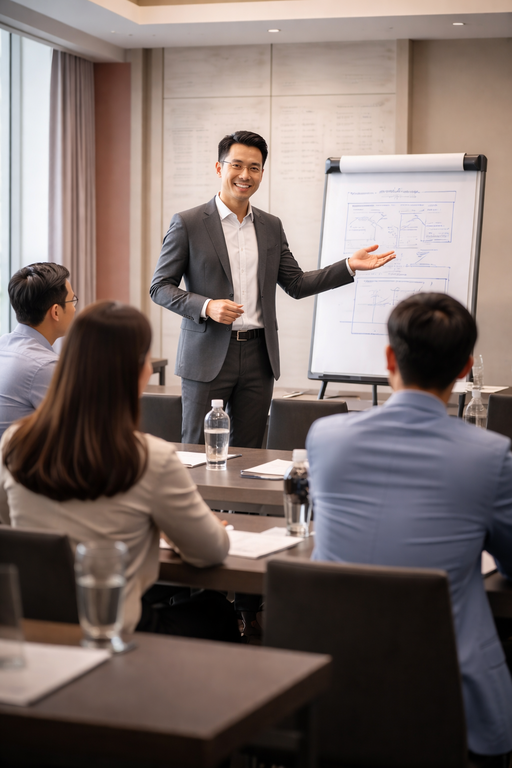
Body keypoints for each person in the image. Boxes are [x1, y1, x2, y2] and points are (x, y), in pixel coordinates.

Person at [306, 292, 512, 762]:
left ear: (389, 359)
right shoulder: (491, 456)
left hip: (332, 688)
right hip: (449, 698)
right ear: (465, 369)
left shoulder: (325, 437)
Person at [0, 301, 239, 642]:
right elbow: (210, 552)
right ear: (136, 372)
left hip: (37, 630)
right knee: (216, 610)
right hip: (110, 635)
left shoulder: (14, 442)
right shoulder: (149, 456)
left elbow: (9, 524)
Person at [150, 130, 396, 448]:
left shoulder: (271, 226)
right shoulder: (189, 223)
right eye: (237, 165)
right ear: (219, 167)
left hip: (259, 357)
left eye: (254, 168)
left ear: (262, 173)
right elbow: (160, 287)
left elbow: (296, 283)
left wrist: (348, 265)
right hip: (206, 357)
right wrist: (207, 306)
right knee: (198, 448)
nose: (245, 175)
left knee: (250, 451)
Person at [0, 262, 76, 439]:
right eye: (72, 301)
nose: (74, 309)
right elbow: (73, 432)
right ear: (56, 312)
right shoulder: (45, 366)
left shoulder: (3, 344)